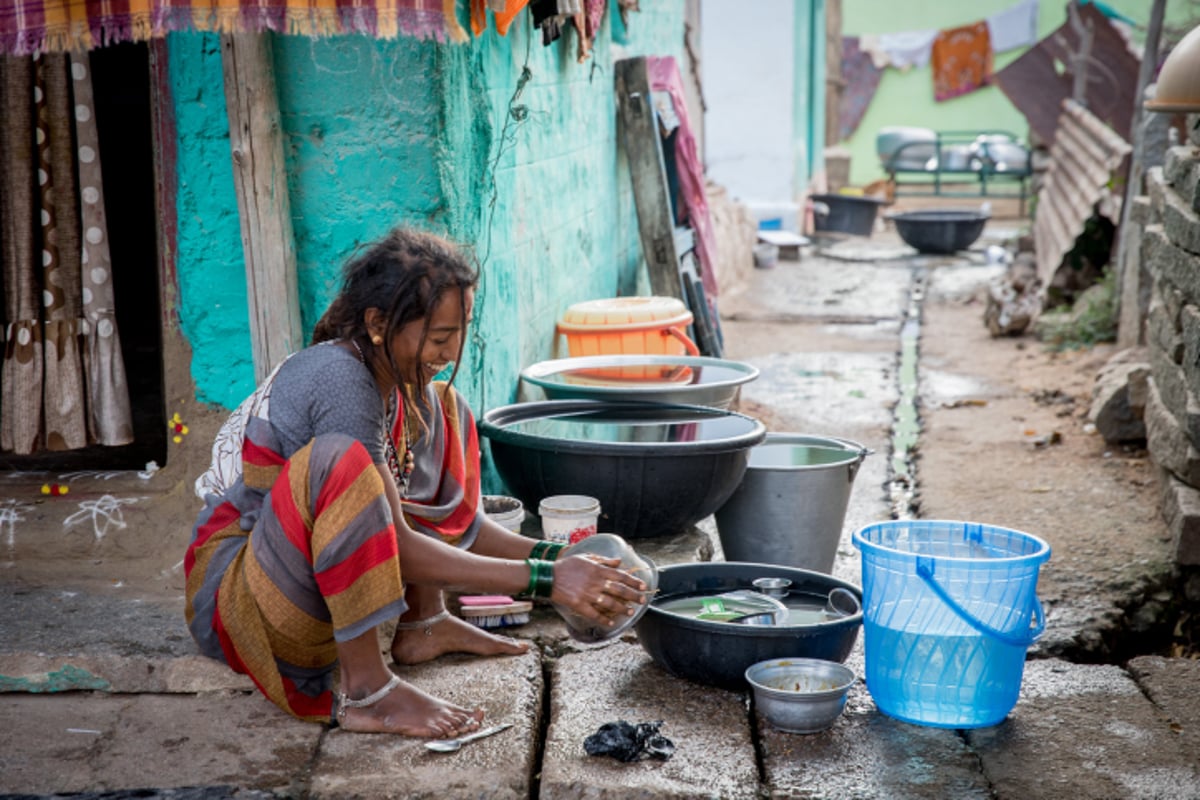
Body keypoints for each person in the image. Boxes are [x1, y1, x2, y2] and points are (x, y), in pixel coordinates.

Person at [185, 226, 648, 738]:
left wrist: (561, 559)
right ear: (378, 323)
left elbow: (465, 530)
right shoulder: (341, 379)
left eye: (458, 333)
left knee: (442, 406)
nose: (450, 353)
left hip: (297, 585)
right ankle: (370, 689)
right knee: (343, 462)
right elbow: (399, 546)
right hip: (247, 603)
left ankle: (423, 622)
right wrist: (545, 582)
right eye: (439, 337)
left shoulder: (398, 383)